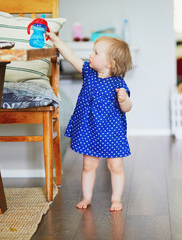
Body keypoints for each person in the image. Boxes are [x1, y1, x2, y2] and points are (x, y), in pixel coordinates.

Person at [47, 31, 133, 211]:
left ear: (110, 63)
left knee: (115, 166)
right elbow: (70, 56)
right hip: (89, 129)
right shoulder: (89, 72)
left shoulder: (118, 84)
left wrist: (124, 100)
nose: (90, 55)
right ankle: (87, 197)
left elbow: (127, 108)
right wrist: (57, 40)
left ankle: (116, 199)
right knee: (88, 165)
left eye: (95, 53)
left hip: (112, 131)